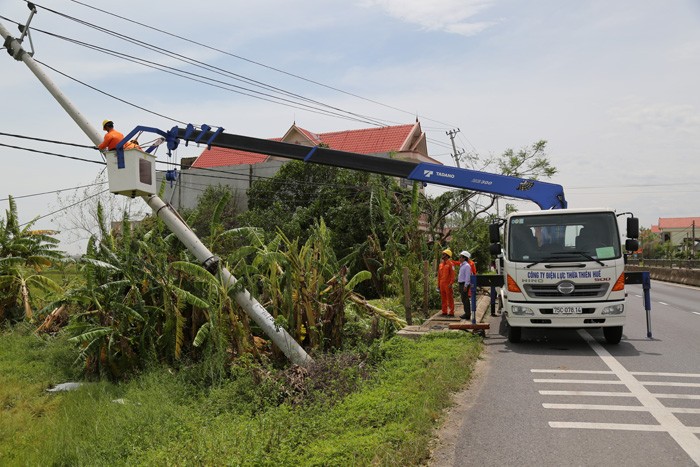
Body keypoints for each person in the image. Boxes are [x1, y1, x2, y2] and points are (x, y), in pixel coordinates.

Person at [438, 248, 456, 316]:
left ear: (447, 255)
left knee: (450, 298)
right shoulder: (441, 265)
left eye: (444, 254)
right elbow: (439, 276)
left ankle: (451, 312)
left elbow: (453, 275)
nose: (442, 255)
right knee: (443, 299)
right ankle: (444, 311)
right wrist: (438, 285)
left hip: (448, 284)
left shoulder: (451, 264)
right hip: (442, 284)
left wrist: (451, 283)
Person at [457, 251, 473, 321]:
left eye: (461, 257)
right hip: (461, 283)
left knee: (465, 300)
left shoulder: (467, 266)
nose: (459, 258)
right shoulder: (462, 265)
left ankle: (467, 314)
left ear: (464, 258)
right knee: (463, 299)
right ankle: (466, 313)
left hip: (464, 284)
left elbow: (467, 277)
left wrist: (466, 286)